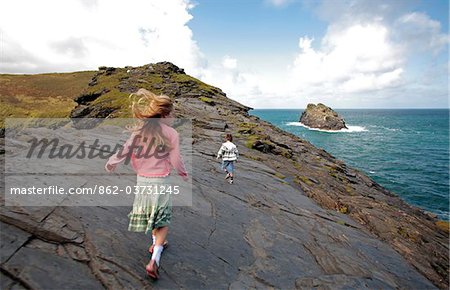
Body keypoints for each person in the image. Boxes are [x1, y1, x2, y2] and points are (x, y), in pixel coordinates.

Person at [104, 88, 188, 279]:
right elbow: (176, 159)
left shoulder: (141, 130)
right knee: (163, 220)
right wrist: (183, 173)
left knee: (152, 214)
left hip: (142, 181)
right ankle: (154, 259)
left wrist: (112, 162)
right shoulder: (171, 133)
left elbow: (125, 149)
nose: (174, 117)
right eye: (173, 114)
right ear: (165, 114)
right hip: (160, 181)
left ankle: (156, 241)